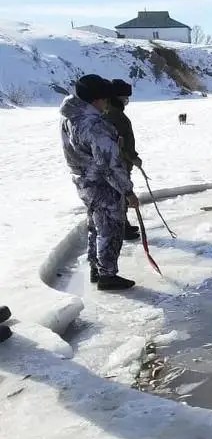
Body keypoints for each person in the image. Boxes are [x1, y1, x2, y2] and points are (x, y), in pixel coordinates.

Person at [60, 74, 139, 290]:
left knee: (95, 225)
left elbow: (81, 149)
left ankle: (97, 268)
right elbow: (110, 165)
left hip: (83, 180)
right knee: (110, 228)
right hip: (102, 184)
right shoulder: (94, 125)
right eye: (105, 99)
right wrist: (128, 192)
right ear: (97, 99)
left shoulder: (70, 117)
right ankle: (107, 275)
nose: (107, 104)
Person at [104, 79, 141, 241]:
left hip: (123, 162)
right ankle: (121, 227)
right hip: (118, 163)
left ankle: (123, 224)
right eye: (125, 98)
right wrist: (132, 157)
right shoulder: (113, 115)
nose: (126, 101)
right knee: (120, 195)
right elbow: (119, 143)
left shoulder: (116, 113)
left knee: (122, 195)